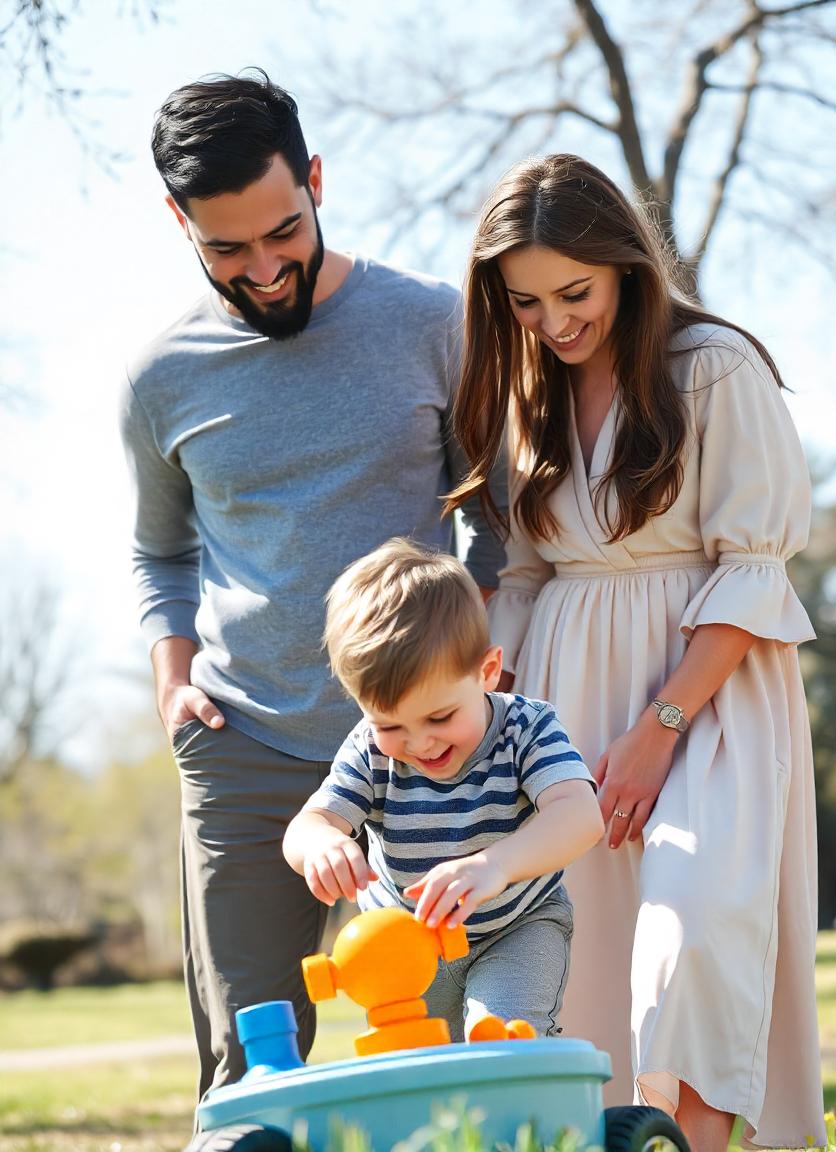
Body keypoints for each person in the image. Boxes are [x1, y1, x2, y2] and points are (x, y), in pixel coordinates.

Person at [118, 70, 505, 1100]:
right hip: (244, 744)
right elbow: (160, 551)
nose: (265, 267)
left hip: (424, 751)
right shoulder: (162, 377)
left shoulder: (431, 323)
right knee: (251, 1072)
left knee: (438, 1059)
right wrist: (173, 684)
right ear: (179, 222)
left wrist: (474, 668)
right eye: (227, 248)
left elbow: (498, 515)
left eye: (283, 231)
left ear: (316, 181)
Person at [443, 154, 826, 1151]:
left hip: (706, 685)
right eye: (524, 303)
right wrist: (497, 716)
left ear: (623, 265)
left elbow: (753, 568)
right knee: (590, 957)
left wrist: (659, 726)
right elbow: (522, 577)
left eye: (573, 292)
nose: (554, 322)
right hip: (566, 689)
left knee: (692, 931)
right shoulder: (526, 391)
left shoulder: (712, 367)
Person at [283, 538, 604, 1040]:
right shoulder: (369, 749)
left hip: (515, 929)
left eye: (440, 716)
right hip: (407, 950)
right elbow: (308, 825)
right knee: (415, 1063)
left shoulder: (527, 728)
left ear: (487, 672)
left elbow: (580, 815)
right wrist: (321, 845)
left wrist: (493, 865)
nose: (419, 742)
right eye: (391, 725)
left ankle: (522, 1111)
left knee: (501, 1039)